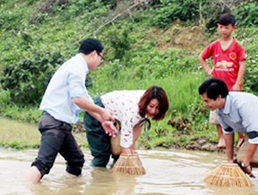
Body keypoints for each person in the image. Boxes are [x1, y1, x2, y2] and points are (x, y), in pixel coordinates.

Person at [24, 38, 114, 183]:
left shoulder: (76, 66)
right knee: (43, 163)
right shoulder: (76, 68)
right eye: (101, 57)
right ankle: (25, 193)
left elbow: (86, 100)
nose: (100, 62)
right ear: (94, 54)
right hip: (55, 123)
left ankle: (68, 191)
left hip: (60, 124)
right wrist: (103, 111)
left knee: (76, 161)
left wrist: (103, 120)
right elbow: (78, 99)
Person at [198, 77, 258, 187]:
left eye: (207, 101)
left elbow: (255, 137)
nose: (205, 104)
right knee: (238, 164)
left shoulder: (243, 104)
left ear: (219, 97)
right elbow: (228, 133)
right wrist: (230, 161)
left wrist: (246, 163)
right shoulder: (219, 110)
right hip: (253, 133)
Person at [84, 86, 170, 167]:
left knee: (119, 156)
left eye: (158, 108)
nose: (153, 111)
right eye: (151, 106)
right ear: (146, 102)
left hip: (116, 117)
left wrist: (131, 150)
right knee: (101, 158)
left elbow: (138, 126)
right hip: (97, 112)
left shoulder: (145, 105)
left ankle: (115, 177)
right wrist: (128, 156)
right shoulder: (133, 109)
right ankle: (96, 176)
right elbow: (126, 137)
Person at [199, 12, 247, 149]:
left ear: (233, 28)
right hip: (216, 86)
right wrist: (209, 70)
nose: (223, 30)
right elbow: (201, 57)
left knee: (236, 112)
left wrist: (238, 82)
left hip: (232, 85)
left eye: (226, 27)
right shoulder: (214, 45)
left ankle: (241, 138)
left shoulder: (237, 46)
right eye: (220, 27)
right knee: (217, 112)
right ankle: (221, 138)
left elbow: (242, 64)